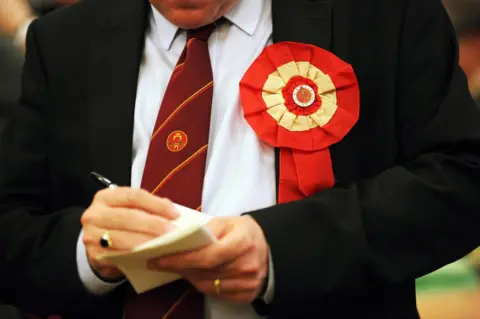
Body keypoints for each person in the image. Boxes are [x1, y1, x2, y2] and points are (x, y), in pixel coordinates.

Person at [1, 0, 480, 318]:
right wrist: (89, 253)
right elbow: (12, 228)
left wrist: (280, 250)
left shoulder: (383, 16)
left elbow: (461, 179)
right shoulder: (63, 41)